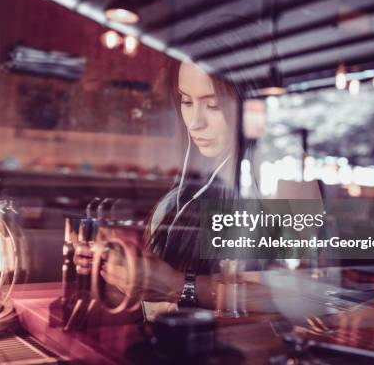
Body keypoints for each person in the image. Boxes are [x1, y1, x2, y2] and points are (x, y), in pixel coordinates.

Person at [75, 59, 259, 319]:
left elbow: (305, 295)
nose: (195, 122)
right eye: (186, 101)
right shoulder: (187, 189)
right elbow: (152, 301)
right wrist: (119, 268)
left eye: (213, 105)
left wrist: (177, 285)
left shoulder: (276, 180)